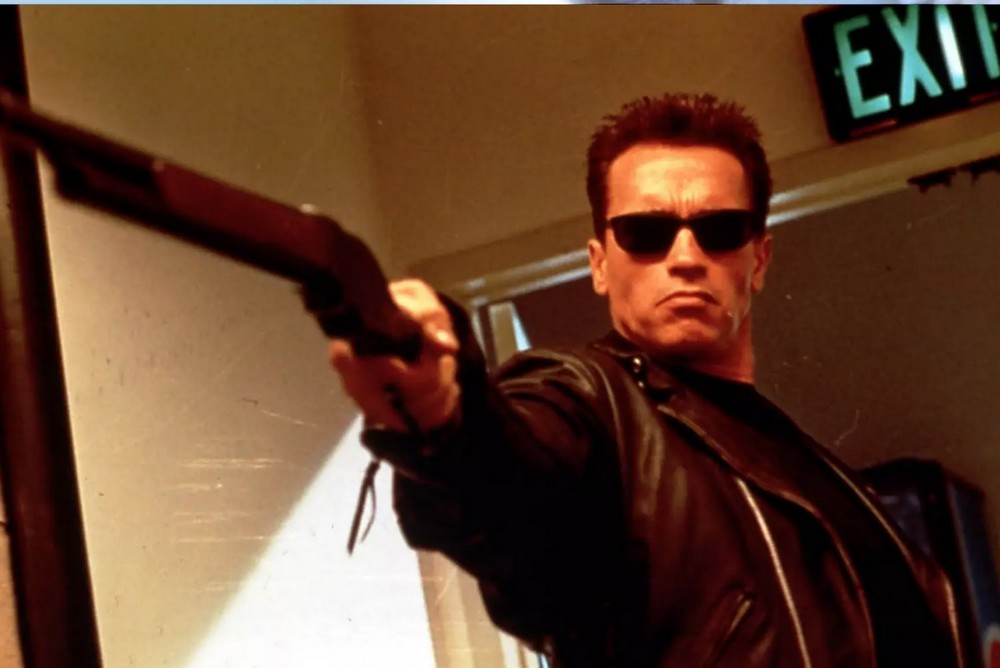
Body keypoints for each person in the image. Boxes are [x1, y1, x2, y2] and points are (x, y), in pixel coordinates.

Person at [328, 93, 963, 668]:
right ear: (600, 264)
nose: (685, 258)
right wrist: (444, 414)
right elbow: (514, 472)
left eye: (720, 230)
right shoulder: (588, 399)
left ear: (759, 259)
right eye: (646, 233)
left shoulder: (819, 471)